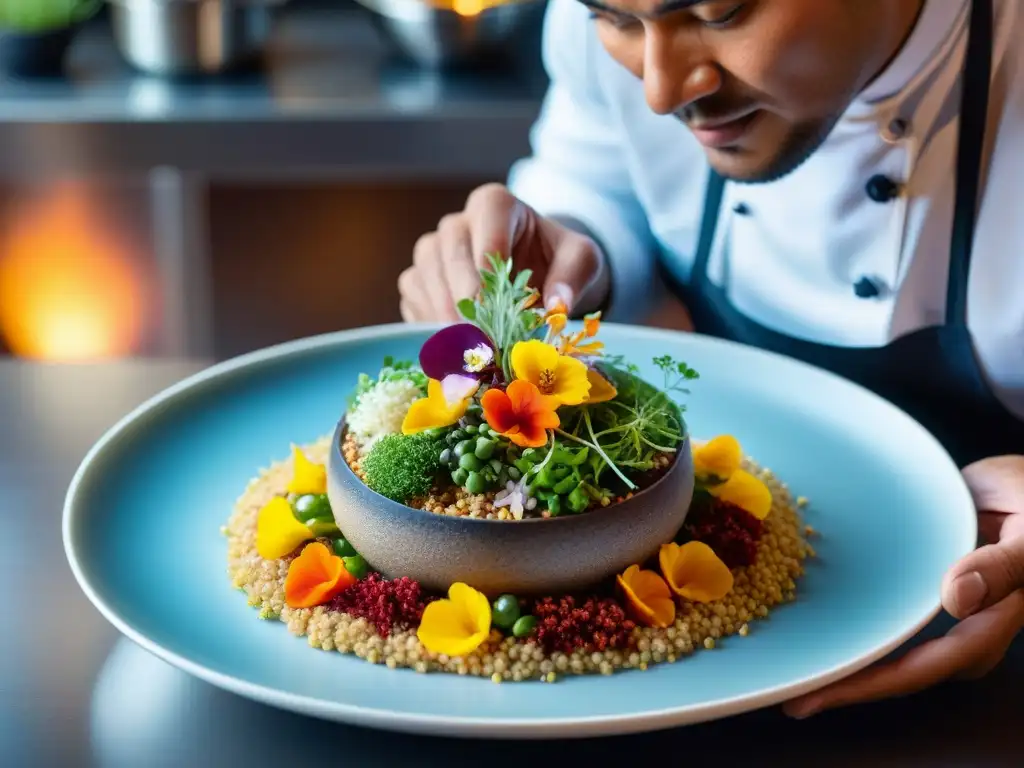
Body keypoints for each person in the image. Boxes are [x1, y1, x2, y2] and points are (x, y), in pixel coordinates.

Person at [397, 0, 1024, 716]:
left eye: (720, 13)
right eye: (617, 19)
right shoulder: (607, 44)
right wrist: (569, 249)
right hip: (705, 675)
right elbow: (598, 177)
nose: (660, 91)